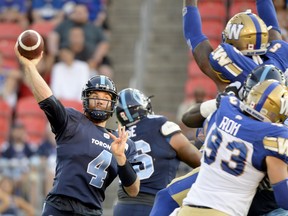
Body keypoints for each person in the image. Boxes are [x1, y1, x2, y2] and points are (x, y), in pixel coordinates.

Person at [14, 44, 140, 215]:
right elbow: (48, 100)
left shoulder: (121, 141)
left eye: (105, 97)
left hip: (91, 211)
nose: (100, 101)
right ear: (85, 99)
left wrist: (121, 159)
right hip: (59, 205)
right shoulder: (72, 120)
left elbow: (133, 190)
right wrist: (30, 67)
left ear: (112, 103)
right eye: (94, 96)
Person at [151, 64, 287, 216]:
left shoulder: (228, 106)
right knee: (166, 196)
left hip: (209, 200)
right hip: (228, 192)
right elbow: (189, 118)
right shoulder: (276, 132)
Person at [113, 88, 202, 216]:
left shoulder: (120, 136)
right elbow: (197, 160)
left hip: (122, 206)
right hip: (154, 206)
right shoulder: (159, 124)